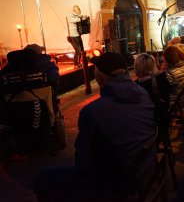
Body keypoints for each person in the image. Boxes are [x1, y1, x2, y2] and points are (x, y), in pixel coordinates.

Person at [34, 52, 157, 201]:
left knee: (42, 179)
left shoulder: (93, 112)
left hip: (117, 182)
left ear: (100, 77)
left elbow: (83, 163)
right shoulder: (143, 93)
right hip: (145, 170)